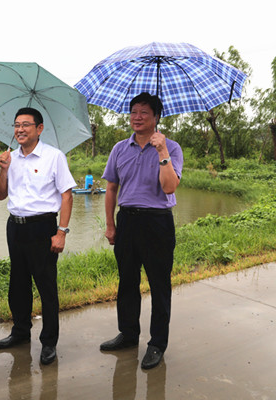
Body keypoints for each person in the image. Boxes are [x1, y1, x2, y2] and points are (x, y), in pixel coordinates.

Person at [100, 92, 183, 370]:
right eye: (133, 111)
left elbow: (169, 187)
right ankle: (128, 334)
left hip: (157, 222)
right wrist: (110, 224)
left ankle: (157, 343)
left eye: (144, 112)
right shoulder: (120, 148)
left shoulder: (172, 148)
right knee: (127, 281)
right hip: (127, 221)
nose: (137, 117)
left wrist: (162, 152)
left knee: (159, 284)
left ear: (156, 117)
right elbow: (111, 188)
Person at [0, 107, 75, 365]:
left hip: (43, 227)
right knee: (18, 284)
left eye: (26, 124)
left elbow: (66, 195)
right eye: (17, 125)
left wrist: (61, 232)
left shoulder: (54, 156)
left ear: (39, 128)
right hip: (15, 226)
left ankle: (49, 342)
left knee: (46, 285)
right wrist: (3, 170)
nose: (20, 129)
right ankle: (20, 332)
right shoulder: (10, 158)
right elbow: (0, 195)